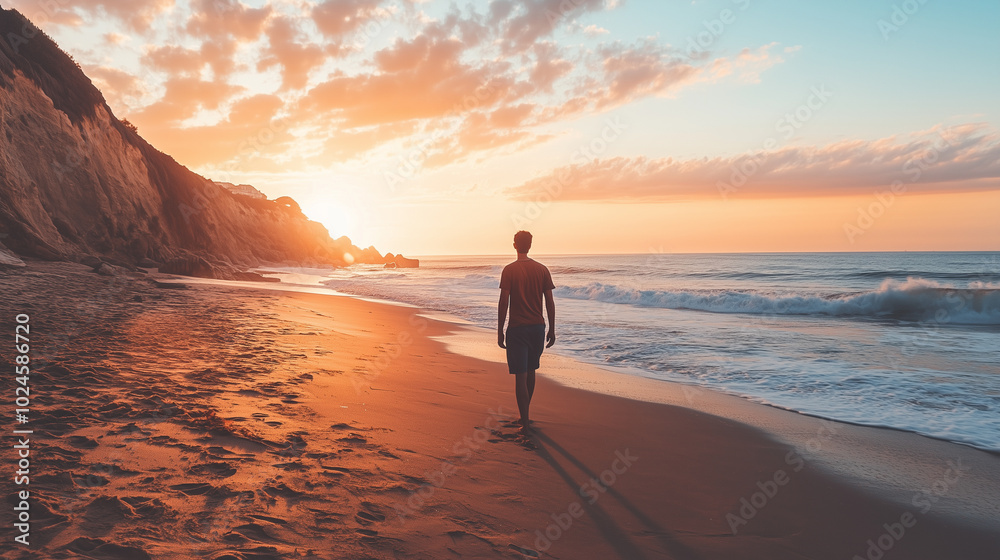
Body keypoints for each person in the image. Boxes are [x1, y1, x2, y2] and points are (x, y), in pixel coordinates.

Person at [497, 230, 555, 433]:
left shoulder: (509, 270)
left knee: (520, 376)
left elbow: (504, 301)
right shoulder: (542, 270)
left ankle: (525, 420)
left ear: (514, 245)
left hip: (517, 328)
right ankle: (525, 416)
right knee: (531, 372)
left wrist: (500, 330)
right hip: (538, 328)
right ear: (530, 245)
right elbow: (549, 302)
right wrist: (552, 328)